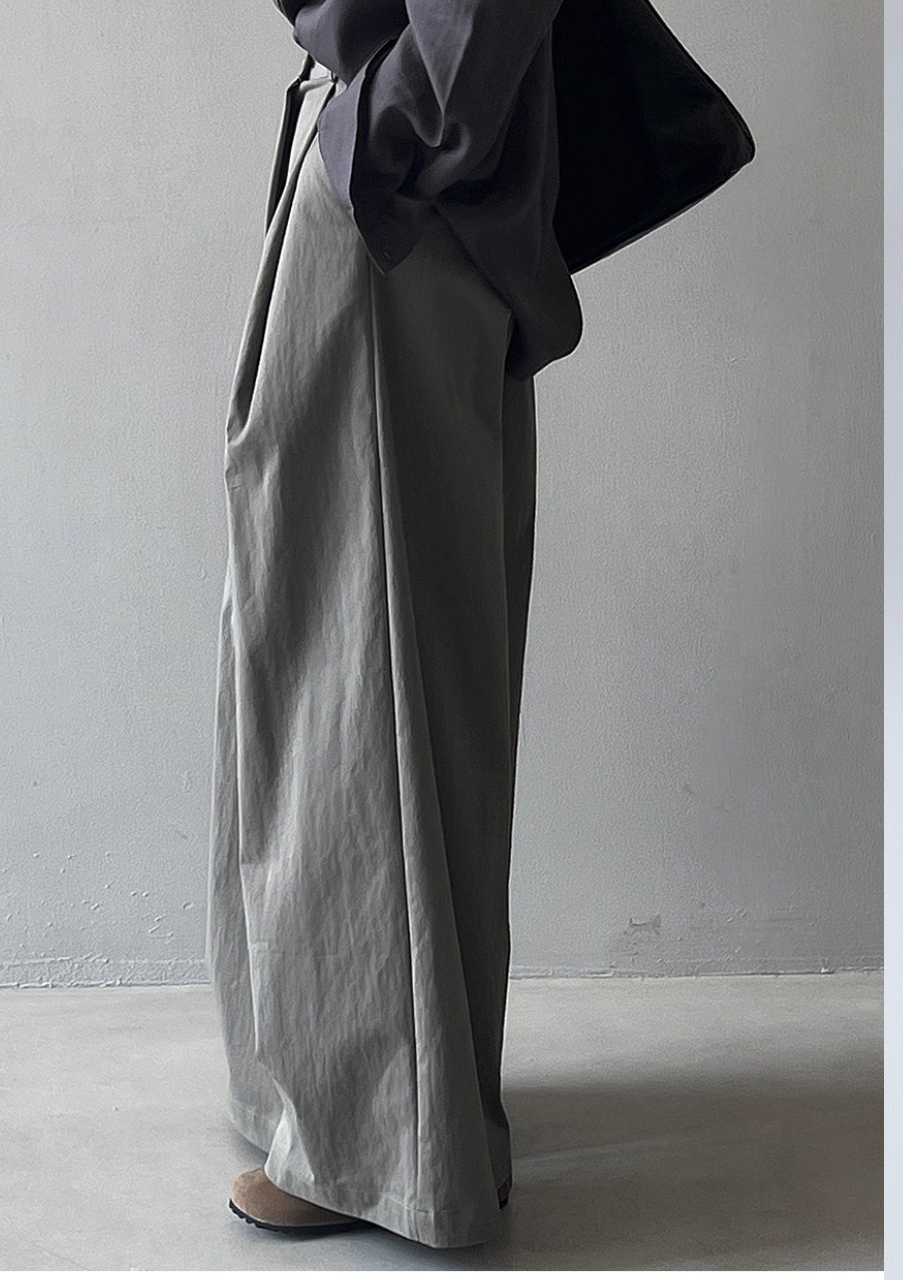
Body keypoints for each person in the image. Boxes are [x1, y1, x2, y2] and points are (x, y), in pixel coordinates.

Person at [206, 1, 579, 1250]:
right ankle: (380, 1107)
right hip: (401, 189)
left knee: (354, 667)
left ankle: (379, 1143)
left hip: (396, 203)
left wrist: (371, 138)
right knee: (370, 649)